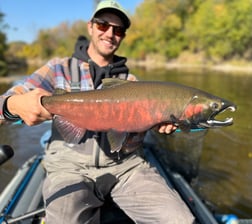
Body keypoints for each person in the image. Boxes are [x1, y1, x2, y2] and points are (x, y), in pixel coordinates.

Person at [0, 1, 195, 223]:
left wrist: (157, 124)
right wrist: (12, 106)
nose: (110, 33)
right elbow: (3, 103)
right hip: (69, 168)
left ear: (122, 36)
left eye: (118, 29)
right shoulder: (57, 69)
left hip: (126, 168)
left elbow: (131, 141)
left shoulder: (132, 83)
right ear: (90, 27)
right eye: (103, 25)